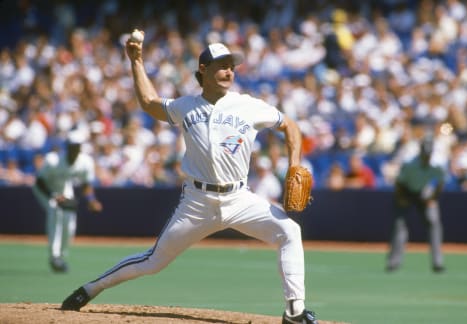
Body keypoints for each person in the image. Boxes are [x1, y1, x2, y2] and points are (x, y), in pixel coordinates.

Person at [61, 34, 319, 324]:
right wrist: (136, 61)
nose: (229, 71)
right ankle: (90, 289)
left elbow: (290, 126)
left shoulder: (249, 106)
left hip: (240, 198)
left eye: (232, 66)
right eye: (221, 65)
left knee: (290, 232)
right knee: (153, 261)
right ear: (203, 72)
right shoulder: (185, 106)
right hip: (197, 202)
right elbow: (148, 102)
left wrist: (294, 163)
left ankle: (294, 311)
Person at [32, 134, 103, 272]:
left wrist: (91, 200)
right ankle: (54, 257)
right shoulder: (53, 160)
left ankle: (62, 255)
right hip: (46, 190)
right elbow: (39, 182)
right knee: (55, 211)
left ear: (80, 148)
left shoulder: (85, 161)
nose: (74, 150)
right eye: (72, 147)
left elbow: (86, 184)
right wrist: (53, 196)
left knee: (69, 224)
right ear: (67, 148)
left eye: (77, 147)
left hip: (64, 188)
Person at [386, 136, 446, 273]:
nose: (426, 157)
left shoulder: (438, 164)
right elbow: (399, 183)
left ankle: (437, 262)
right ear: (420, 152)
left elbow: (441, 182)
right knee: (399, 225)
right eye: (424, 154)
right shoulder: (410, 164)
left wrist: (433, 198)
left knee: (434, 221)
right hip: (406, 191)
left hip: (424, 193)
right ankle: (393, 262)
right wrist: (401, 198)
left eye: (428, 154)